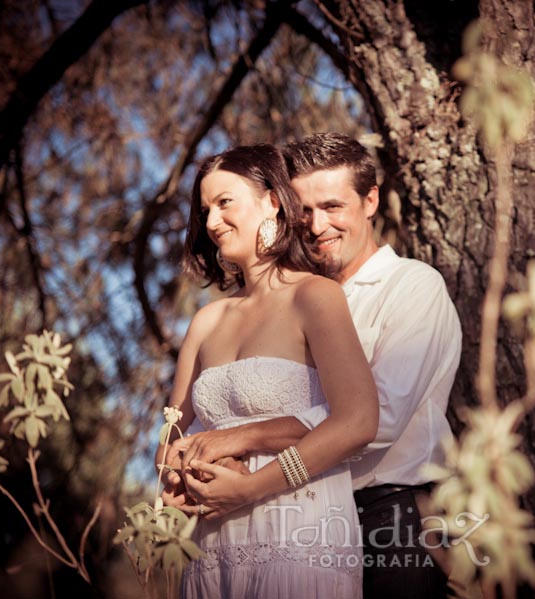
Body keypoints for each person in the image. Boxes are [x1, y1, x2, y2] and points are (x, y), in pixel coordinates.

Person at [167, 133, 462, 599]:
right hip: (280, 507)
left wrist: (243, 439)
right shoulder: (293, 297)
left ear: (370, 201)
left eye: (332, 207)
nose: (315, 224)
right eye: (304, 210)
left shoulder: (413, 286)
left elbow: (375, 418)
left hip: (395, 514)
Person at [158, 143, 378, 599]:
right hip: (213, 542)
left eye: (224, 203)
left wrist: (250, 483)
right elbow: (169, 443)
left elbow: (358, 422)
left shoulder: (315, 297)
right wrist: (180, 478)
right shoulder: (205, 322)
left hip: (299, 527)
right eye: (205, 211)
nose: (213, 223)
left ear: (272, 201)